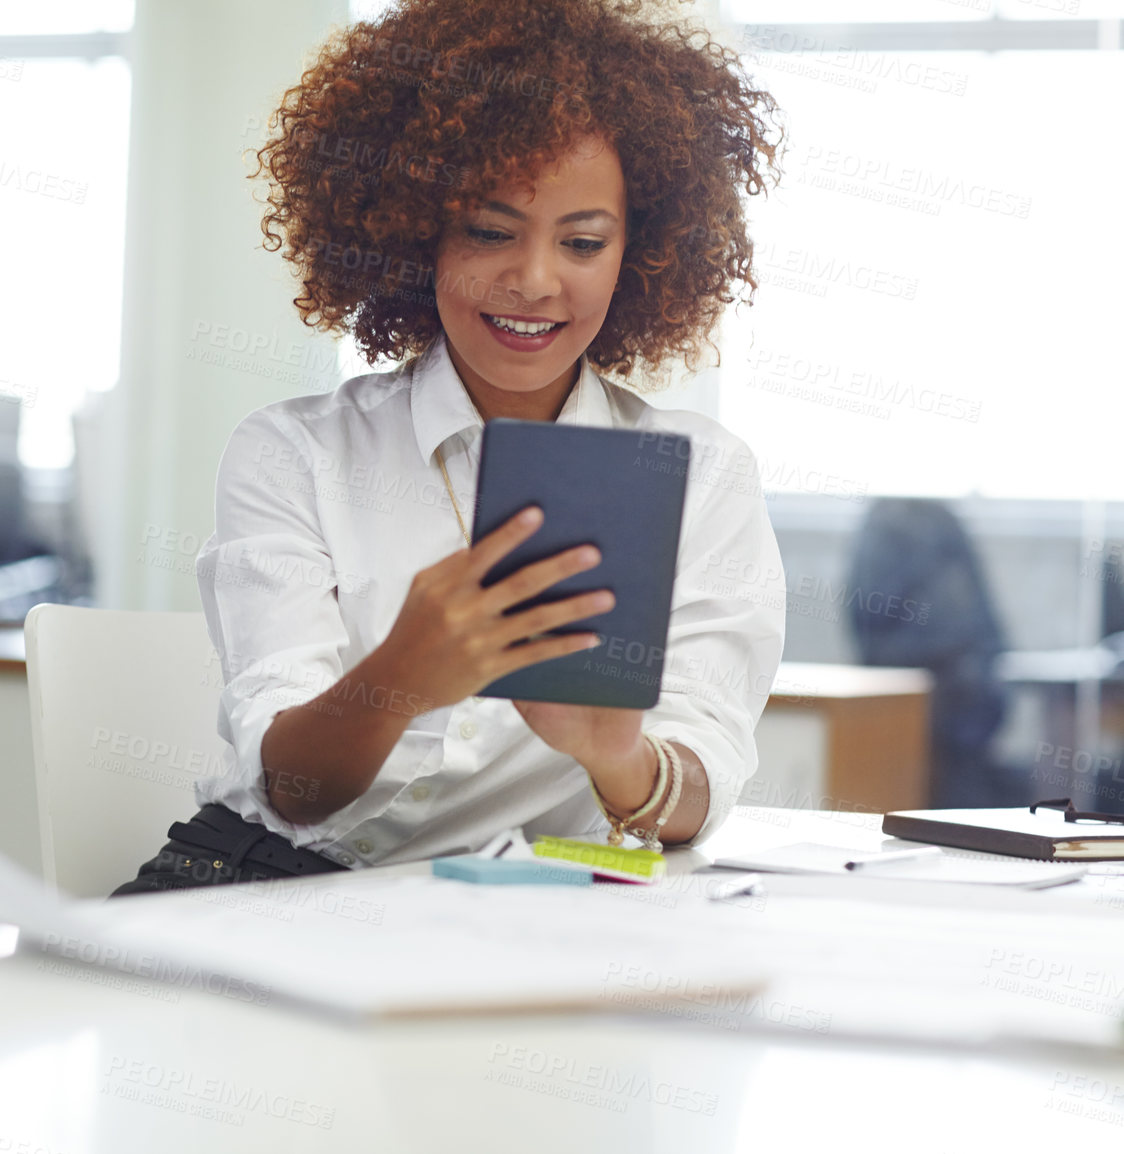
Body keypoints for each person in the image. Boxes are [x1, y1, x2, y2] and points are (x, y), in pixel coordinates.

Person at [111, 0, 787, 896]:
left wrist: (614, 756)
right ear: (410, 228)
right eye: (489, 231)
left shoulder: (701, 478)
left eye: (583, 242)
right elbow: (294, 792)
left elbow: (702, 784)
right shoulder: (293, 452)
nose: (535, 280)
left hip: (512, 906)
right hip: (265, 881)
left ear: (642, 252)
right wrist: (400, 674)